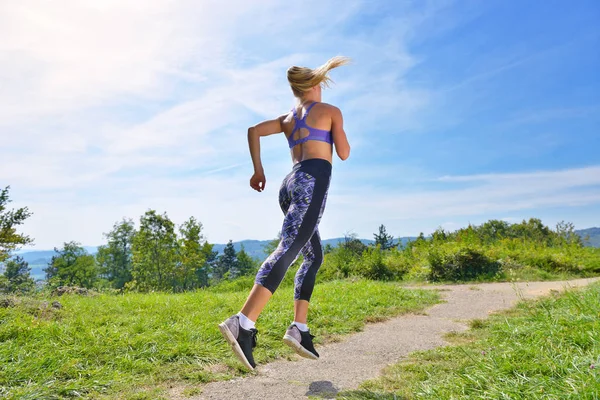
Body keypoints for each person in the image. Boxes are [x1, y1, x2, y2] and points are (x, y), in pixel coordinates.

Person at [218, 56, 351, 370]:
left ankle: (299, 329)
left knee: (313, 255)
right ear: (314, 85)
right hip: (311, 181)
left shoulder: (287, 119)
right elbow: (343, 153)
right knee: (289, 248)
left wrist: (258, 171)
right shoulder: (331, 111)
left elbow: (253, 130)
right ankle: (243, 322)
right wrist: (336, 132)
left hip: (289, 183)